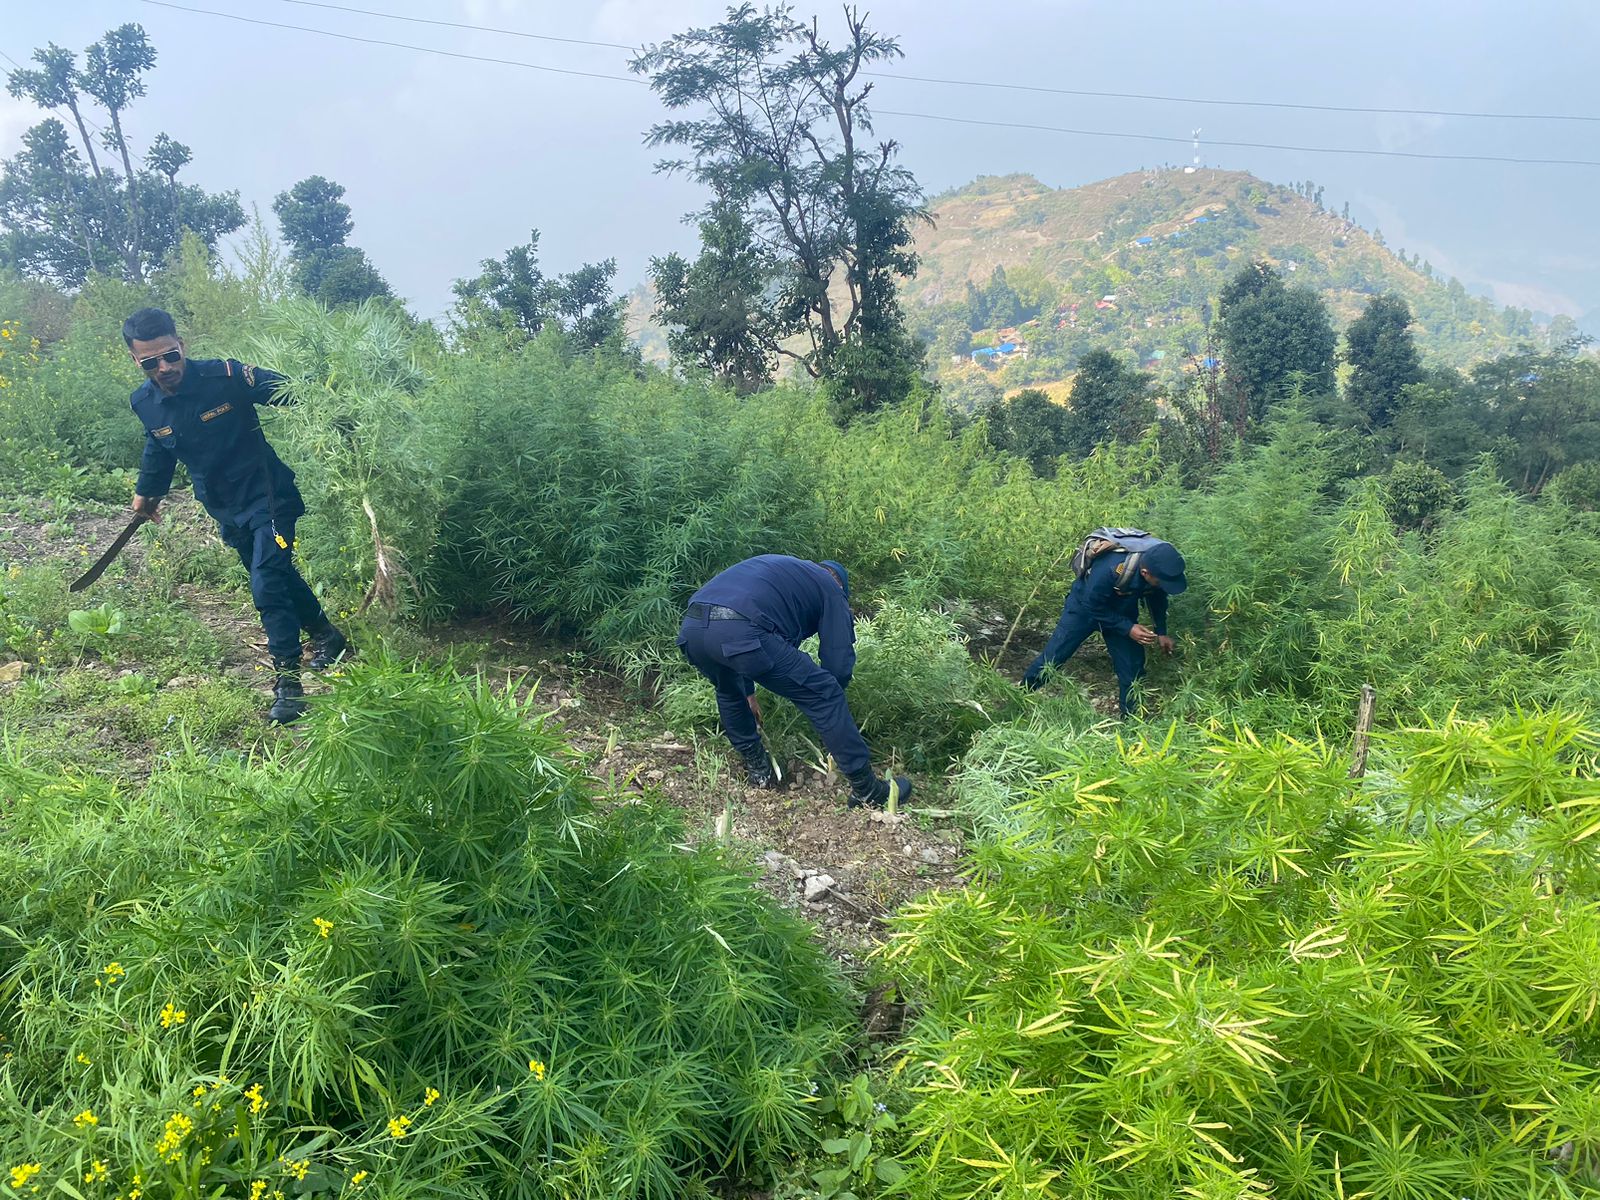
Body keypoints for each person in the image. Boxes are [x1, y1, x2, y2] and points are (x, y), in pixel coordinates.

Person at [121, 307, 349, 724]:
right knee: (276, 577)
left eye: (171, 355)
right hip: (224, 506)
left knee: (266, 582)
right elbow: (158, 448)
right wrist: (146, 494)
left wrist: (342, 417)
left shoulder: (225, 377)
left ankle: (288, 683)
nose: (165, 367)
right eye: (152, 362)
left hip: (270, 496)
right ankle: (328, 637)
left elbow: (294, 393)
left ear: (182, 345)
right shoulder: (145, 403)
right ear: (136, 361)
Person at [677, 554, 911, 809]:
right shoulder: (831, 587)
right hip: (740, 628)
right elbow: (838, 660)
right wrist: (830, 712)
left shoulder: (788, 572)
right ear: (842, 586)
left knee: (729, 690)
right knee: (825, 692)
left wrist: (749, 692)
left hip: (693, 628)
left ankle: (760, 772)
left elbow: (733, 625)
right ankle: (868, 791)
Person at [1021, 538, 1187, 717]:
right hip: (1083, 610)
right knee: (1054, 657)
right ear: (1146, 572)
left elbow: (1157, 599)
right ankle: (1020, 697)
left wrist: (1161, 632)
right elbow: (1092, 605)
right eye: (1162, 583)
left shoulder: (1158, 574)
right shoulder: (1112, 568)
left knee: (1132, 669)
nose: (1164, 586)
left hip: (1122, 612)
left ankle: (1131, 722)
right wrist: (1128, 628)